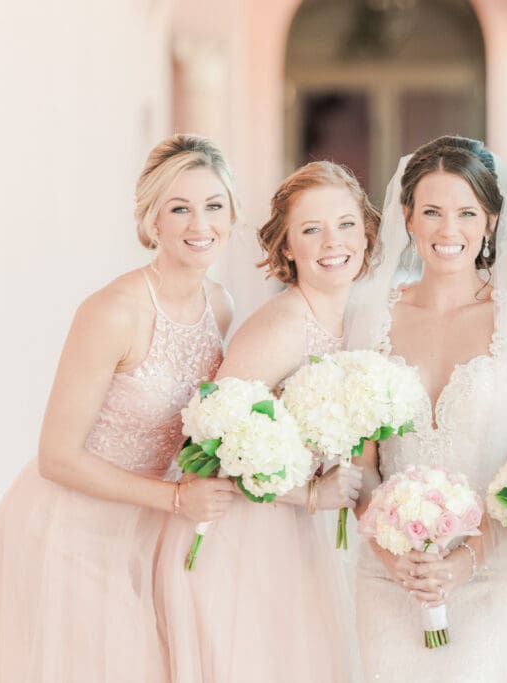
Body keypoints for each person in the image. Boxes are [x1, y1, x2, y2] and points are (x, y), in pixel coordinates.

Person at [0, 134, 240, 682]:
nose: (200, 224)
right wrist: (177, 498)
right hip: (70, 530)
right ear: (152, 219)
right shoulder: (113, 311)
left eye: (213, 206)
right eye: (179, 208)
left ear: (232, 214)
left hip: (153, 533)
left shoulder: (221, 306)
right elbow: (56, 457)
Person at [154, 160, 379, 682]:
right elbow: (209, 448)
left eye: (346, 223)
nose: (333, 242)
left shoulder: (359, 319)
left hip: (303, 539)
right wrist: (310, 494)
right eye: (311, 229)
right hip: (243, 542)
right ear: (287, 247)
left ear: (366, 233)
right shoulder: (283, 326)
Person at [347, 135, 507, 682]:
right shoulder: (373, 315)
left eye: (466, 213)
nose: (448, 230)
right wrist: (392, 554)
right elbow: (363, 466)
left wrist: (465, 561)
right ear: (408, 218)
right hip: (388, 575)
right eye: (432, 212)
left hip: (492, 571)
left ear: (490, 221)